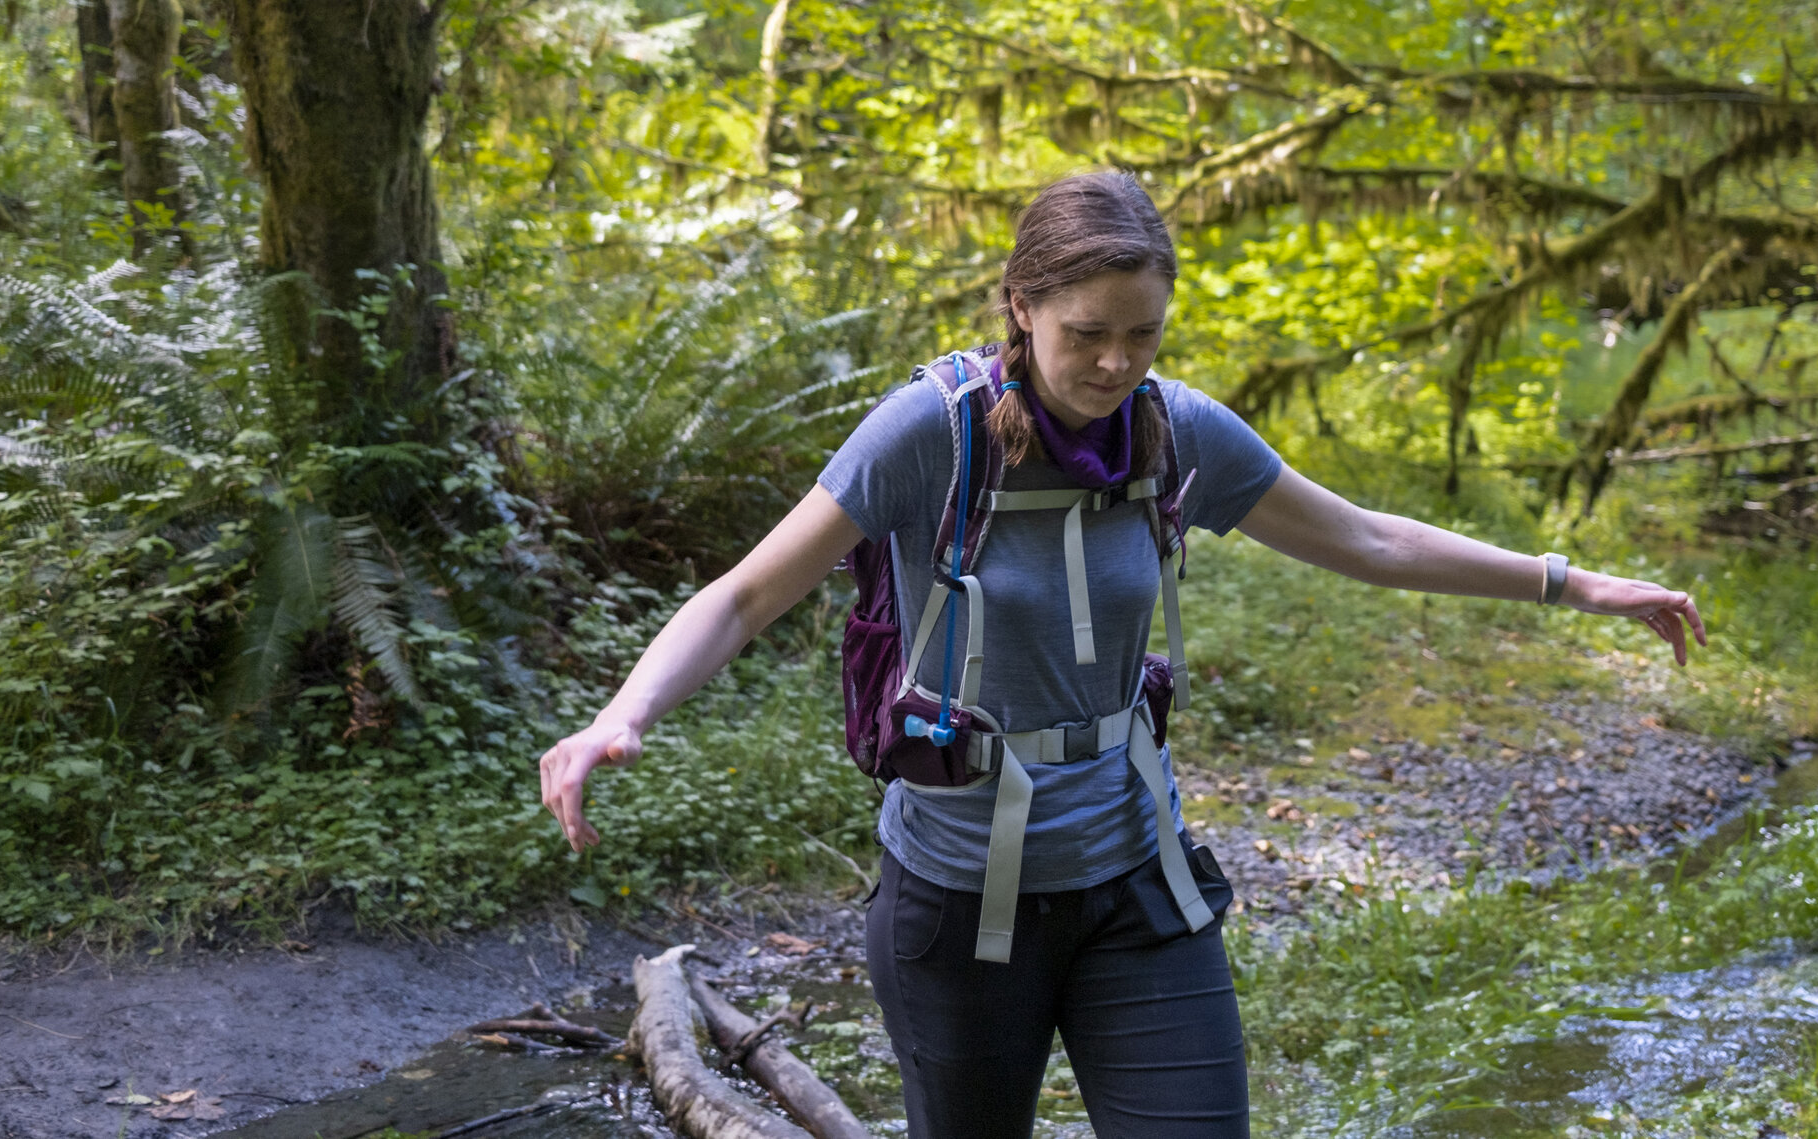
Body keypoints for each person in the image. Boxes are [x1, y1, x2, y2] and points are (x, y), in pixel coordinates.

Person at [538, 170, 1705, 1139]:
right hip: (957, 901)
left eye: (1140, 333)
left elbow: (1365, 535)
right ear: (1020, 305)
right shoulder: (927, 436)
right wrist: (621, 712)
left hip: (1134, 879)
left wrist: (1576, 582)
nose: (1112, 363)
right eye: (1083, 333)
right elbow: (743, 594)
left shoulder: (1175, 429)